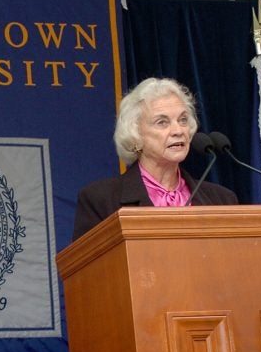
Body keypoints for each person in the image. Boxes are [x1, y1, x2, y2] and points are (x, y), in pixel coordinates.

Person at [72, 77, 238, 240]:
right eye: (162, 122)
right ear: (135, 134)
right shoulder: (101, 200)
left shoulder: (222, 199)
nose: (178, 130)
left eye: (183, 120)